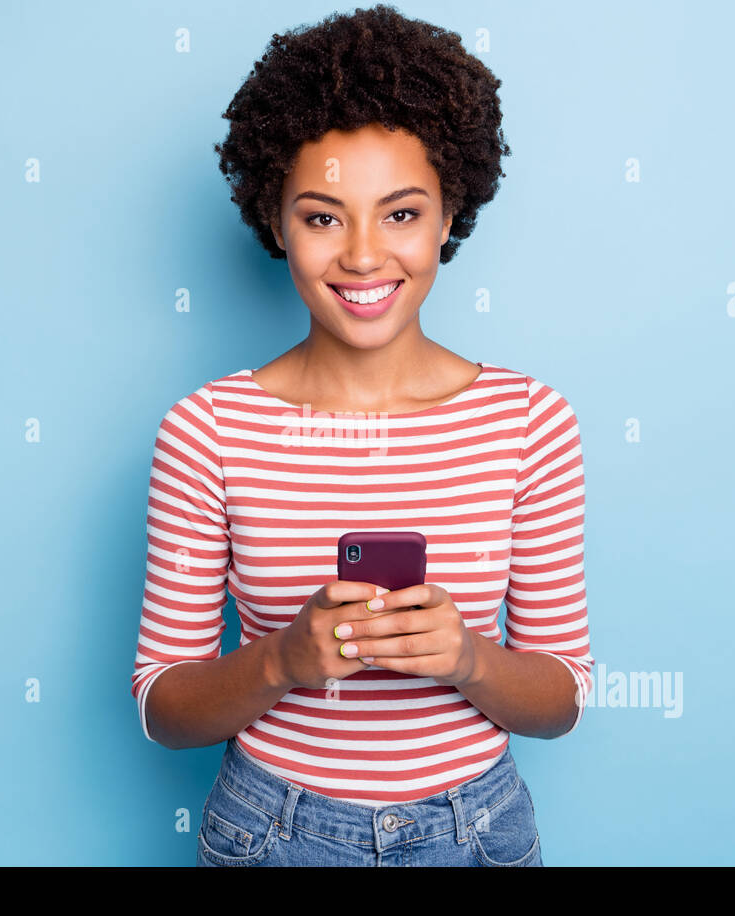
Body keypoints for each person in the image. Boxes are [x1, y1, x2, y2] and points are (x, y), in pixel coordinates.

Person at [131, 3, 593, 866]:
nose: (363, 256)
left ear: (449, 214)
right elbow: (163, 709)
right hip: (274, 832)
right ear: (275, 224)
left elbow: (561, 698)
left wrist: (468, 661)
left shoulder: (530, 421)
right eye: (321, 216)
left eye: (401, 213)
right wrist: (281, 663)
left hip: (478, 833)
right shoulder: (208, 431)